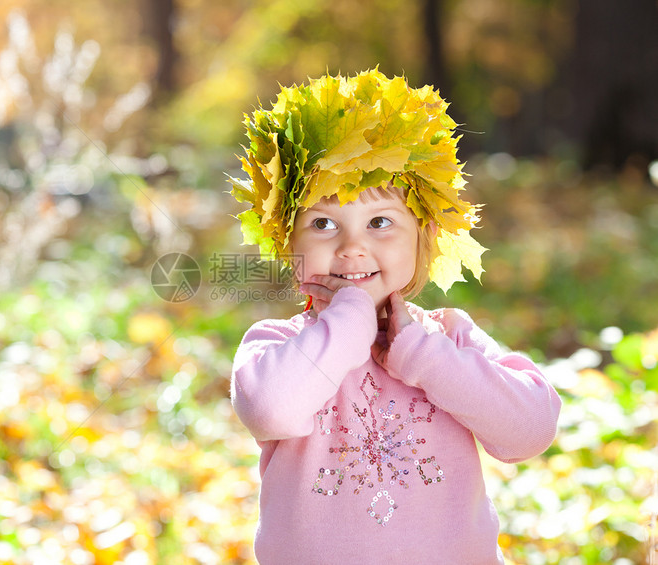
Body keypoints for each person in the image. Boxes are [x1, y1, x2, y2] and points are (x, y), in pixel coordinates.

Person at [229, 69, 561, 564]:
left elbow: (530, 430)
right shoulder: (277, 345)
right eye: (322, 223)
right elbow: (270, 408)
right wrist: (348, 324)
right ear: (287, 243)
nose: (352, 246)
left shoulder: (447, 337)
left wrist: (428, 359)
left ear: (422, 234)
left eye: (380, 222)